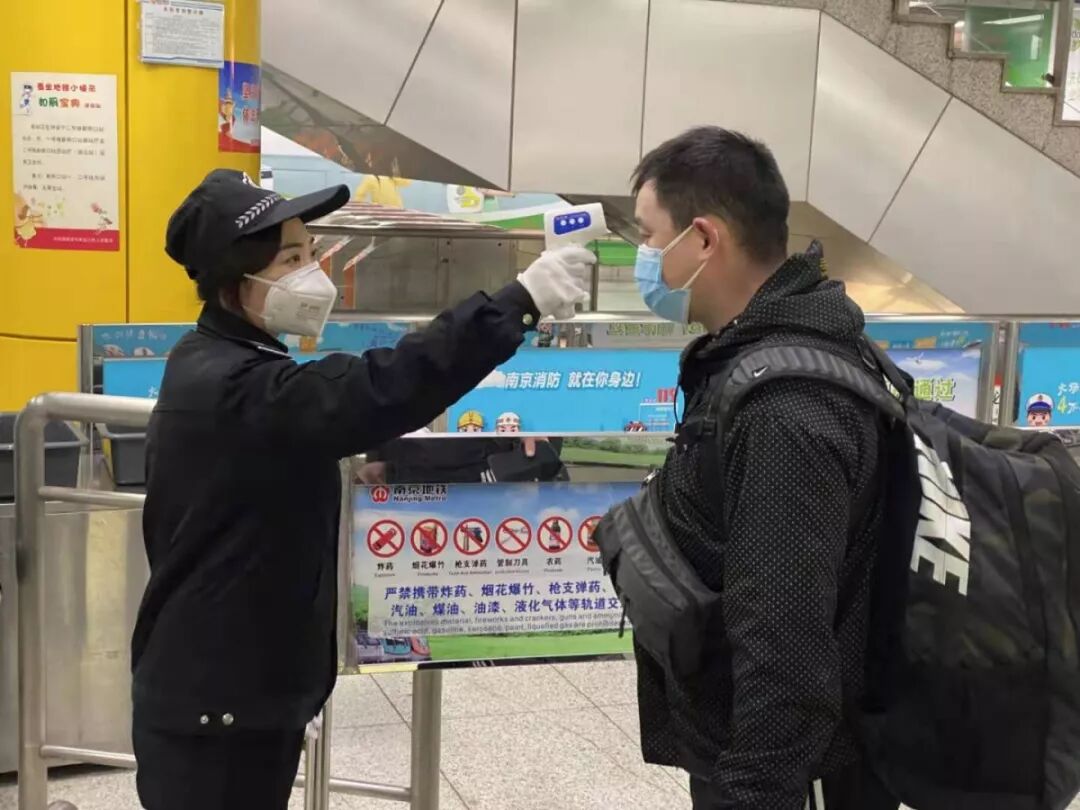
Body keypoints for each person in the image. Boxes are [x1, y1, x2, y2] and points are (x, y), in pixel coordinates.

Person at [129, 168, 592, 810]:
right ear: (240, 280)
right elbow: (379, 389)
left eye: (310, 251)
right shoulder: (235, 384)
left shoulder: (228, 358)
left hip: (230, 692)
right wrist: (517, 300)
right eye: (291, 259)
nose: (312, 272)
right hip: (217, 710)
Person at [627, 127, 898, 809]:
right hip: (768, 752)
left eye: (649, 236)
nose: (643, 258)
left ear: (704, 240)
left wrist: (754, 792)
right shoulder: (774, 350)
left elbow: (786, 643)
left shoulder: (785, 406)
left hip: (792, 771)